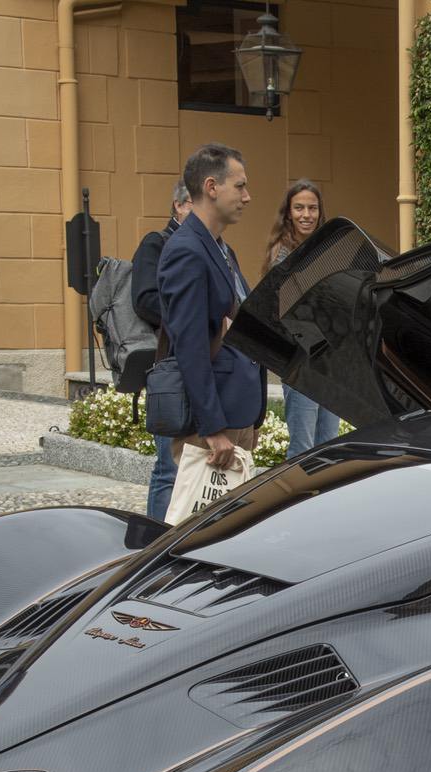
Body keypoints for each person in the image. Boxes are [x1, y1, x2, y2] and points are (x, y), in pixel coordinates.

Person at [158, 144, 262, 480]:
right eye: (240, 186)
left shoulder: (222, 249)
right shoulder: (187, 250)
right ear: (211, 187)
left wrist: (252, 418)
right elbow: (189, 345)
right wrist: (212, 427)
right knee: (202, 515)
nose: (247, 197)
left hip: (237, 414)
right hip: (214, 427)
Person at [264, 180, 340, 458]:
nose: (306, 215)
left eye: (312, 208)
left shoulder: (327, 249)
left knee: (329, 446)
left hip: (330, 362)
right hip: (301, 362)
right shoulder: (282, 254)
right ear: (288, 213)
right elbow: (288, 311)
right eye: (299, 208)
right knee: (303, 450)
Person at [129, 181, 190, 521]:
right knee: (169, 467)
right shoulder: (156, 243)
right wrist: (192, 314)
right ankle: (155, 538)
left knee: (192, 464)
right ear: (179, 206)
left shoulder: (214, 247)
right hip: (168, 369)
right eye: (194, 203)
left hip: (199, 365)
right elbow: (144, 300)